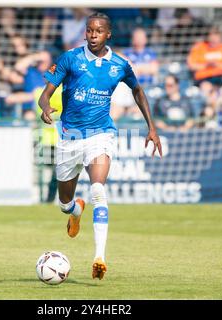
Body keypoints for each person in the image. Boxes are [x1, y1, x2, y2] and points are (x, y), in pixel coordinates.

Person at [38, 12, 162, 280]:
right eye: (89, 30)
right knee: (64, 203)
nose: (93, 35)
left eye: (98, 31)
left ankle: (99, 258)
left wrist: (151, 127)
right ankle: (75, 211)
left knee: (98, 189)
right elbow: (46, 94)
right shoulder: (70, 58)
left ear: (108, 34)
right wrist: (46, 107)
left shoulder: (120, 65)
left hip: (100, 135)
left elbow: (138, 91)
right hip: (69, 138)